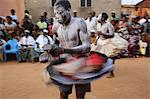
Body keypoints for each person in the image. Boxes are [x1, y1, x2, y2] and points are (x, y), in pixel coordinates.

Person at [48, 0, 91, 99]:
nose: (57, 16)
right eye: (55, 13)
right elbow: (55, 42)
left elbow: (87, 46)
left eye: (60, 12)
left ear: (68, 10)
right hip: (65, 62)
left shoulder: (79, 23)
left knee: (80, 95)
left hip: (80, 62)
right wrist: (50, 50)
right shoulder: (56, 25)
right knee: (63, 93)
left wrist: (64, 50)